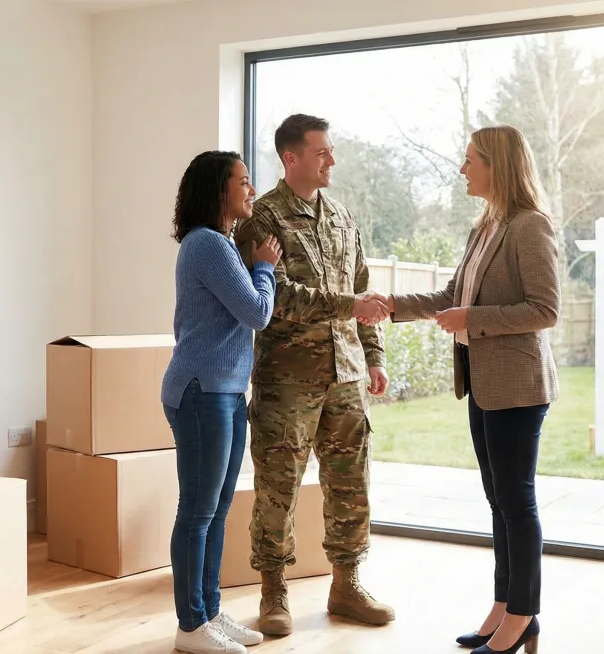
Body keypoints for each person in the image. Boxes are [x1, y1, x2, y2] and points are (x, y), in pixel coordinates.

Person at [381, 125, 559, 654]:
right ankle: (506, 608)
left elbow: (544, 310)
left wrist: (472, 319)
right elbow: (449, 296)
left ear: (496, 166)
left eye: (470, 160)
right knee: (498, 501)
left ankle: (523, 615)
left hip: (518, 387)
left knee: (516, 502)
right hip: (482, 384)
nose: (463, 169)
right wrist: (391, 305)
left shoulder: (530, 226)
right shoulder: (486, 227)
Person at [233, 113, 393, 637]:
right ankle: (273, 589)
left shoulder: (343, 217)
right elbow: (275, 297)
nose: (331, 160)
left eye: (330, 151)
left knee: (350, 482)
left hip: (346, 375)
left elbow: (362, 286)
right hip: (288, 378)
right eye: (321, 152)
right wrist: (352, 305)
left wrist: (373, 356)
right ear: (291, 157)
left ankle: (346, 584)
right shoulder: (262, 220)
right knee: (279, 486)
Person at [161, 150, 283, 654]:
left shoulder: (221, 244)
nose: (250, 190)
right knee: (198, 511)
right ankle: (190, 625)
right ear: (219, 190)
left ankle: (208, 611)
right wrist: (266, 269)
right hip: (200, 395)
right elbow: (256, 313)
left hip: (226, 392)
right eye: (244, 181)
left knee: (216, 508)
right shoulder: (208, 244)